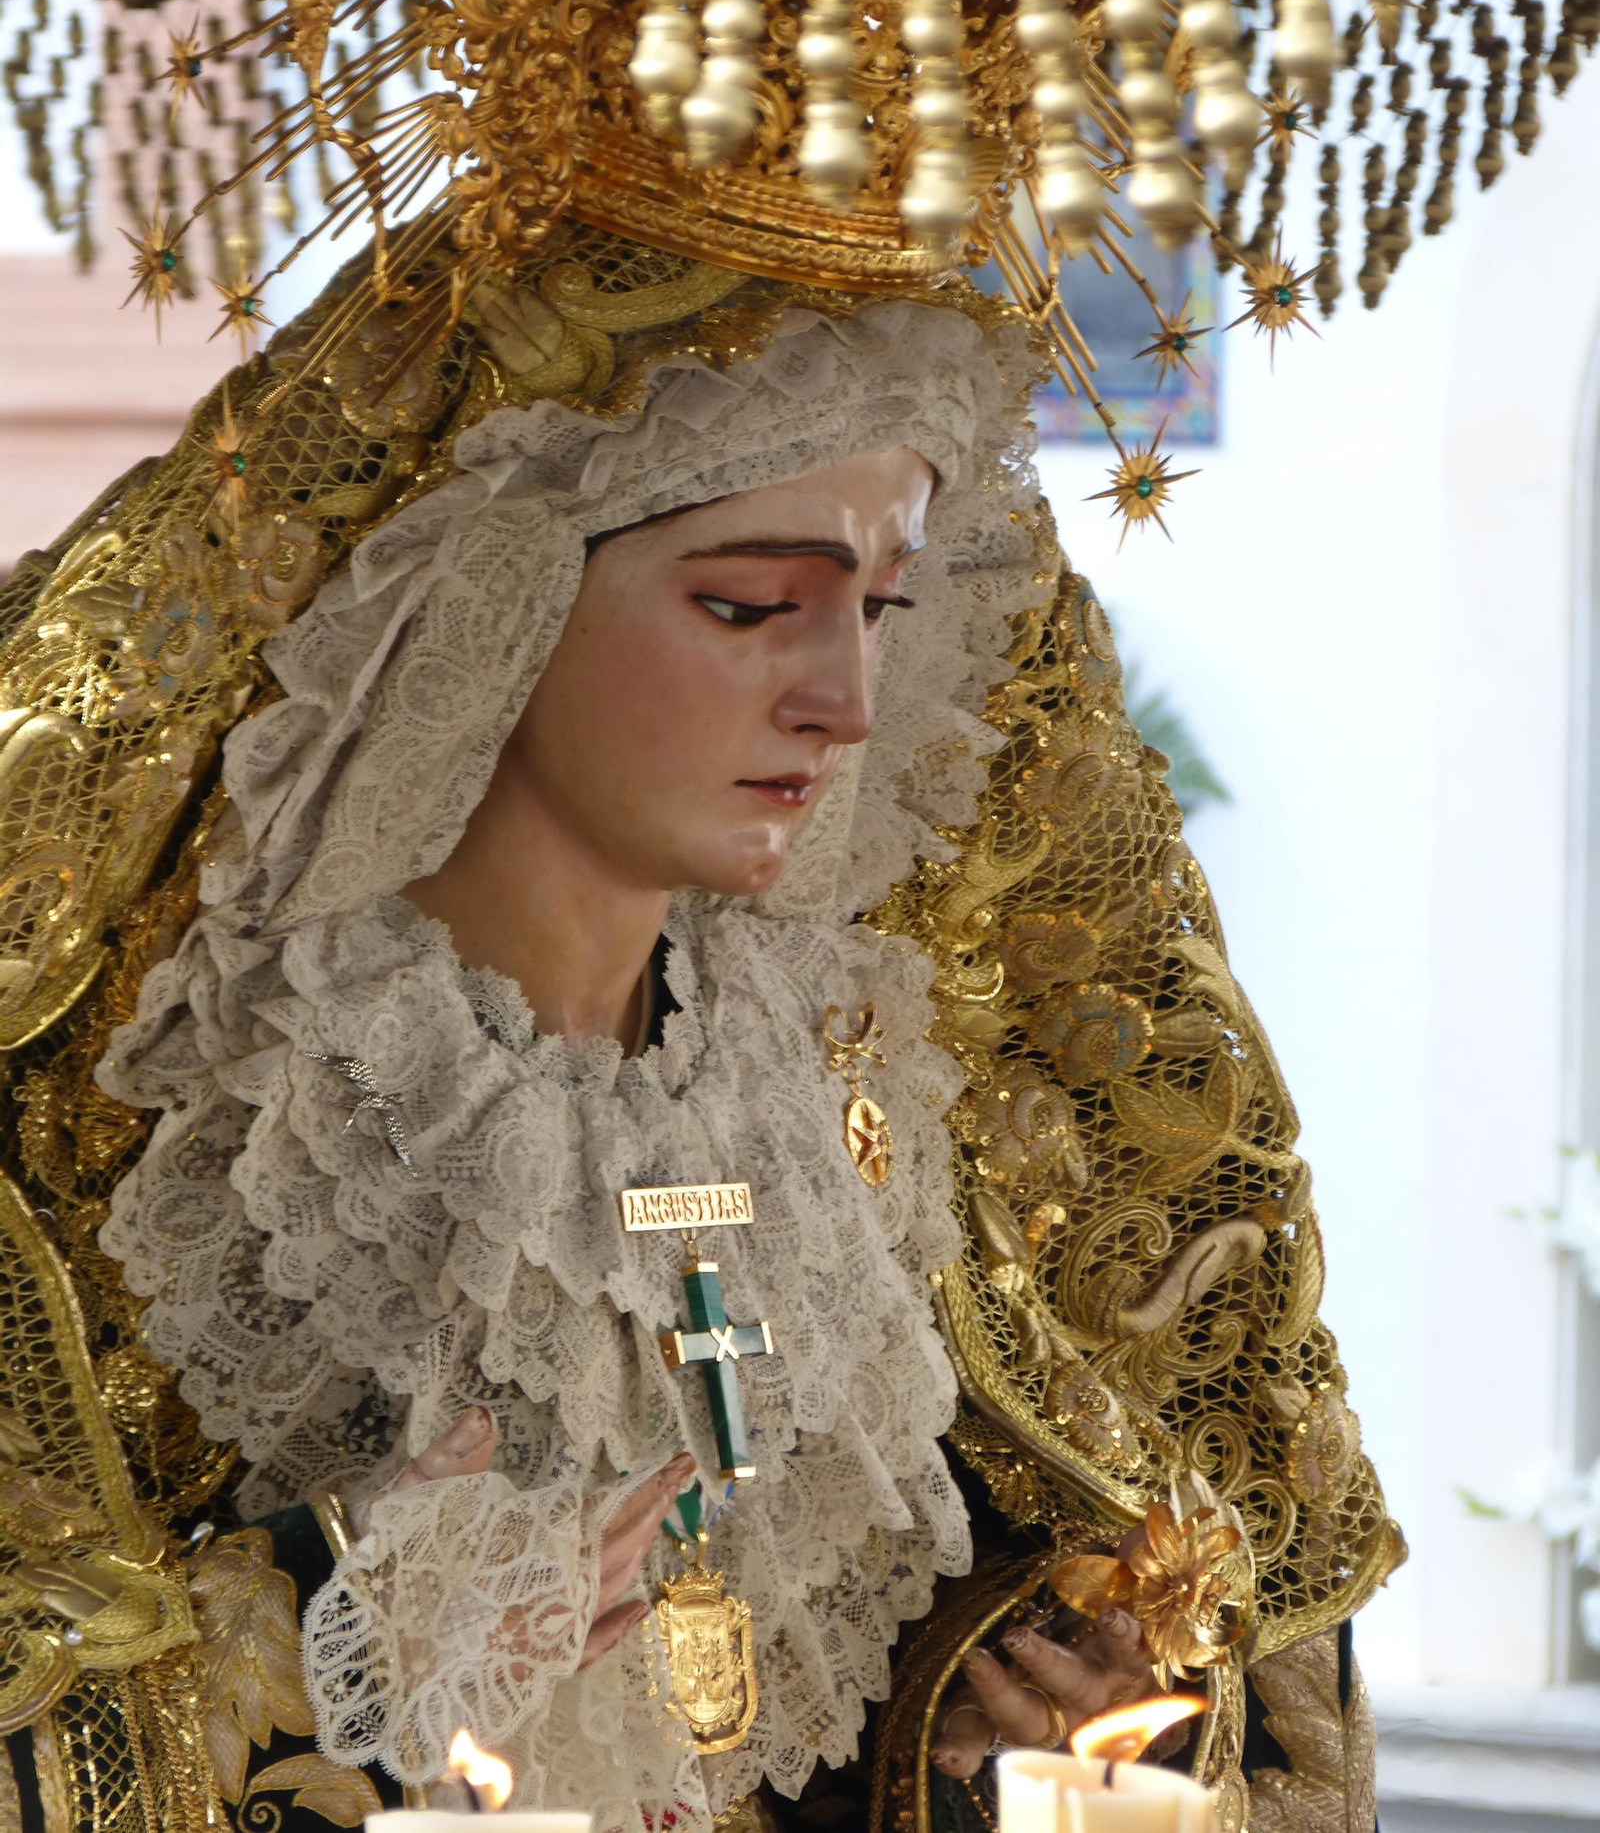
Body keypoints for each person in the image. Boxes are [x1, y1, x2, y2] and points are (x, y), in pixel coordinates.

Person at [0, 231, 1397, 1833]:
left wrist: (1045, 1719)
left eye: (878, 608)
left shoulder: (866, 1087)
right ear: (494, 596)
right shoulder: (177, 1118)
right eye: (749, 605)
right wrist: (338, 1640)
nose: (843, 699)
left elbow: (1069, 1631)